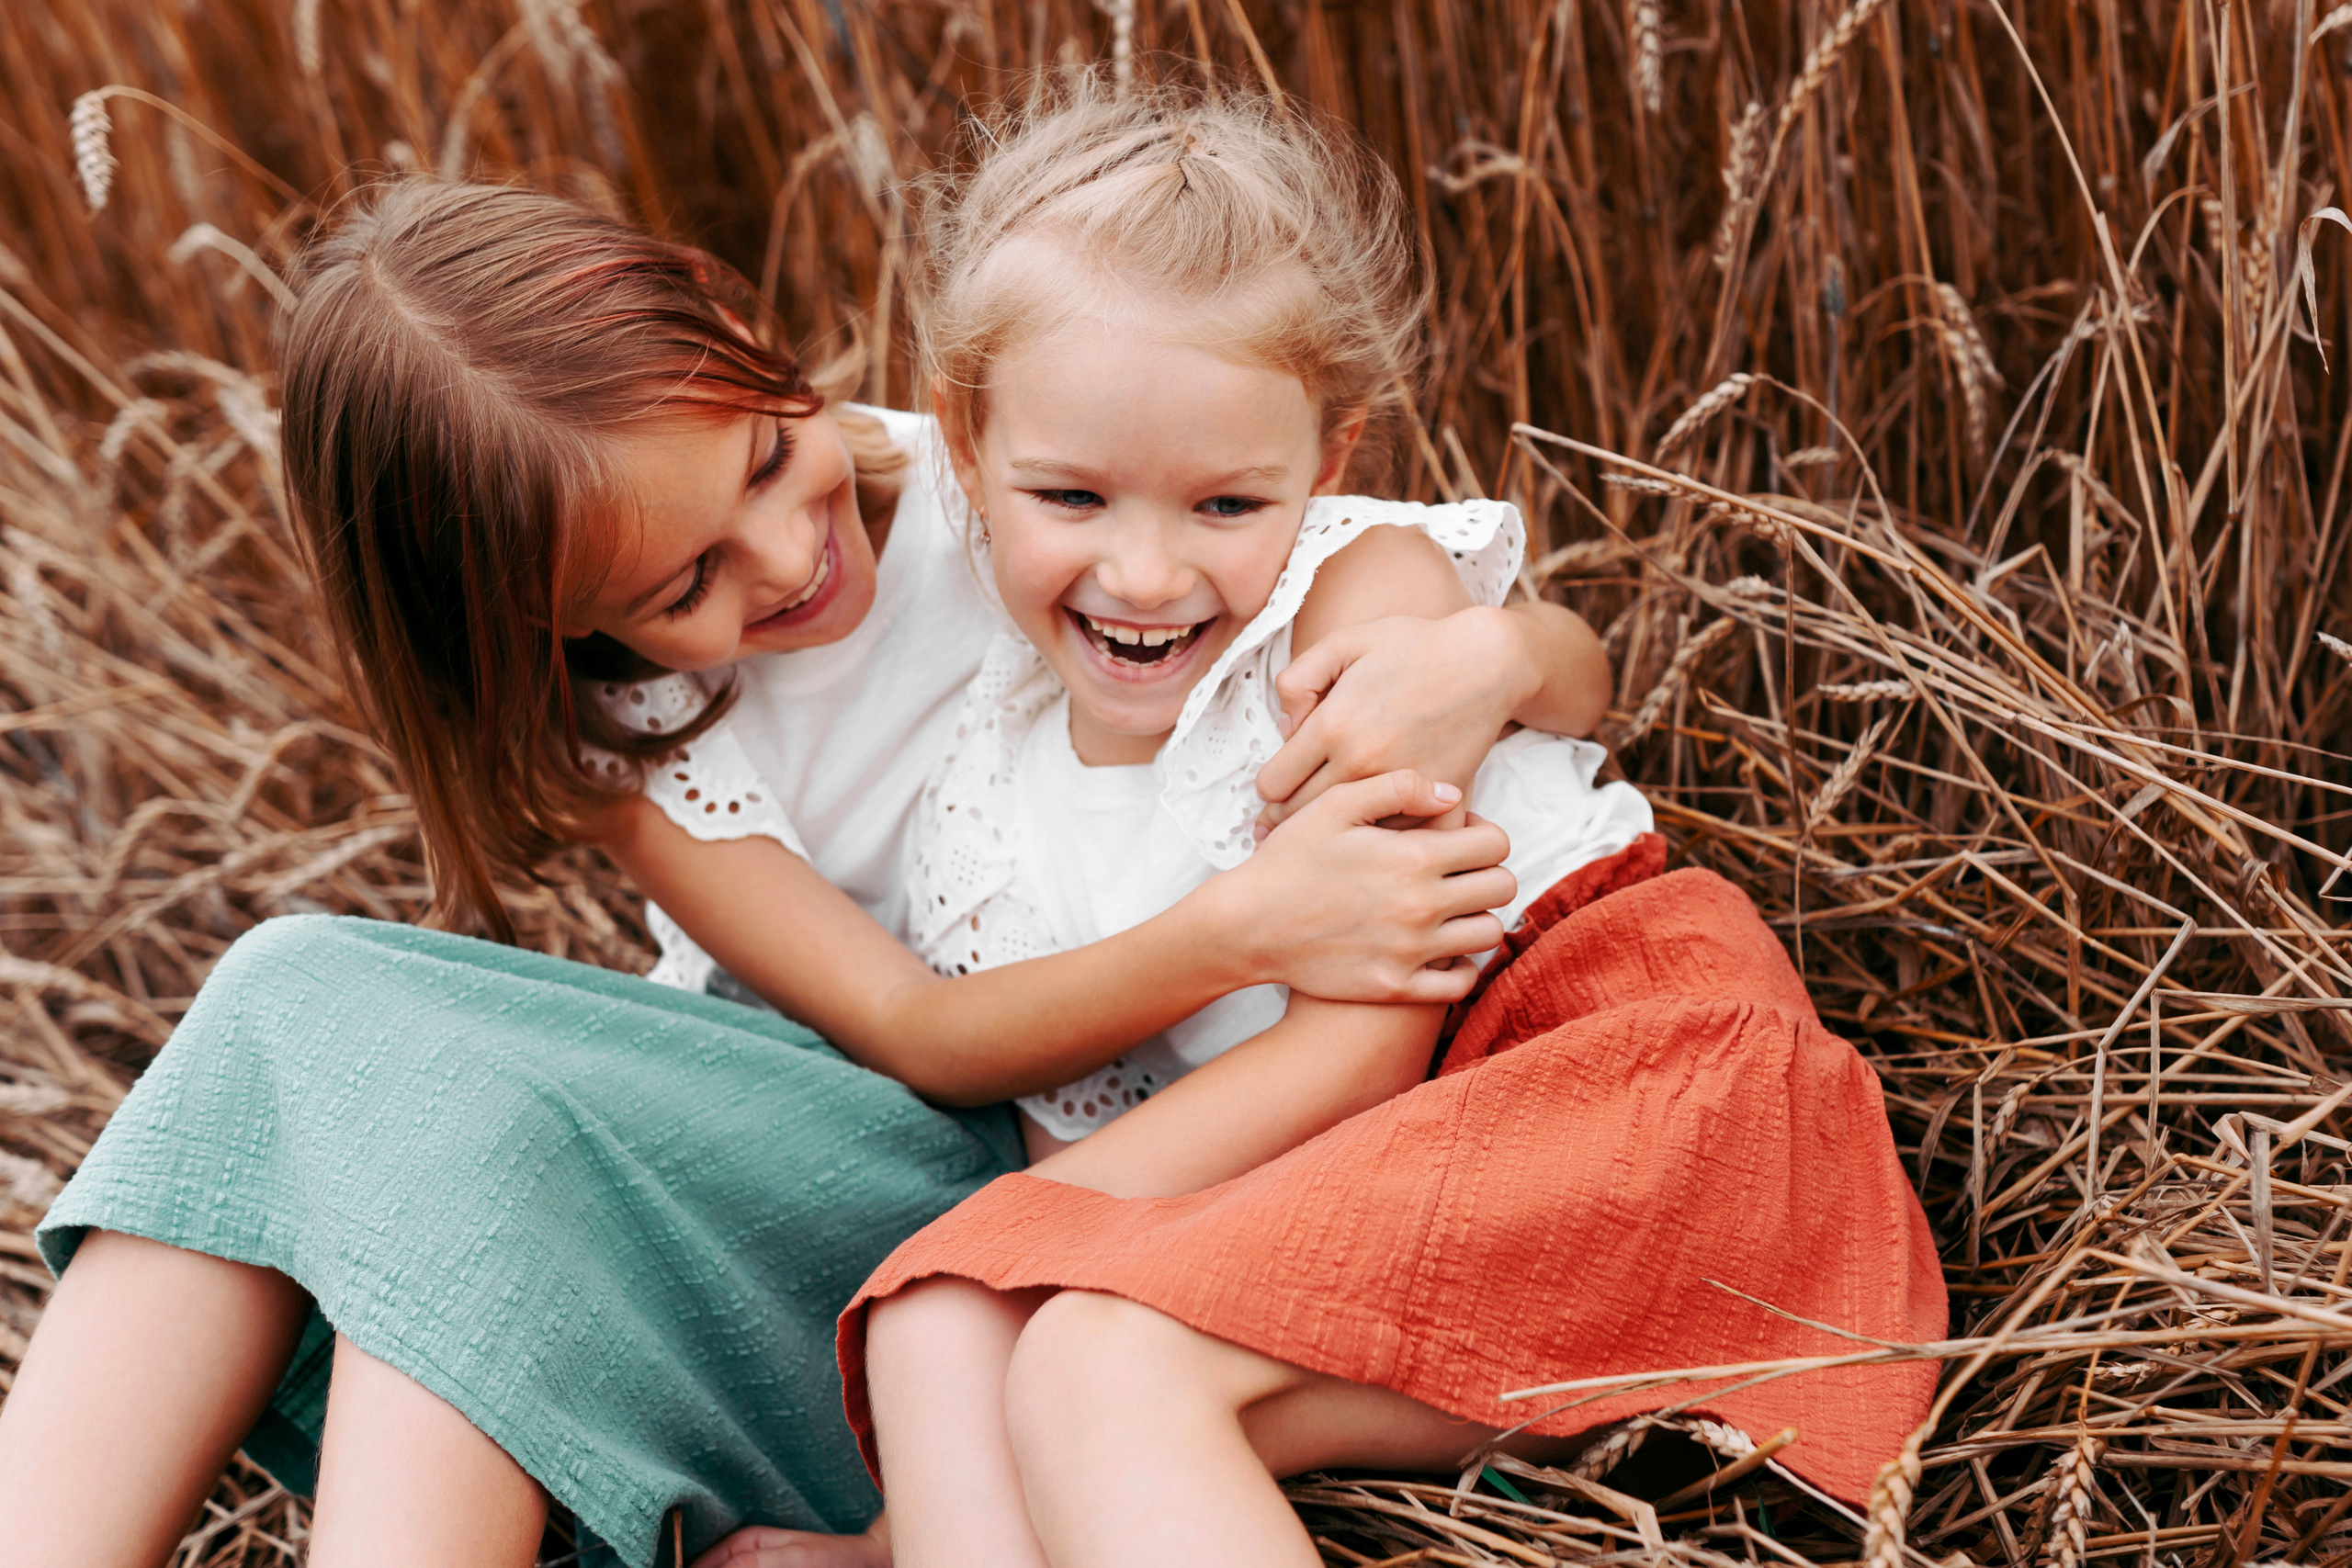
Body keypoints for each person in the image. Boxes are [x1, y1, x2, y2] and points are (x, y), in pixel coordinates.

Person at [0, 174, 1607, 1568]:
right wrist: (1237, 927)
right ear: (549, 622)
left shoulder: (1035, 472)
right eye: (686, 577)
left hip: (1053, 1189)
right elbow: (912, 1030)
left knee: (381, 1074)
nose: (786, 560)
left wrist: (1500, 650)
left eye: (770, 459)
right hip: (842, 1166)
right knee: (322, 1022)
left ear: (735, 323)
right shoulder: (636, 746)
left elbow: (1399, 596)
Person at [809, 80, 1949, 1568]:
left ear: (1328, 460)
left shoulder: (1352, 618)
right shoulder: (984, 803)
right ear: (966, 443)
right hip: (1408, 1184)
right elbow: (1084, 1142)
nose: (1146, 574)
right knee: (940, 1321)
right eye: (1074, 494)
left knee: (1094, 1356)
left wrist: (1022, 1234)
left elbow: (1365, 1043)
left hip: (1620, 1076)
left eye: (1225, 504)